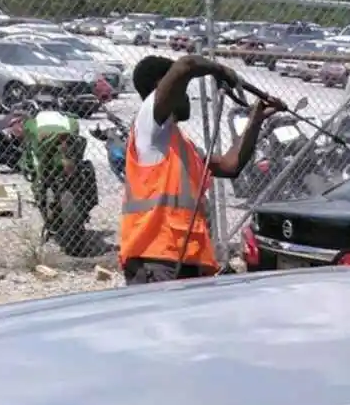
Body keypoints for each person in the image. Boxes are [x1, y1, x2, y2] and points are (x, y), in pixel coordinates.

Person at [120, 52, 284, 284]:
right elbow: (187, 64)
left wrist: (256, 119)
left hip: (185, 258)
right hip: (157, 260)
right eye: (182, 90)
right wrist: (221, 71)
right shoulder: (148, 126)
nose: (186, 97)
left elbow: (230, 165)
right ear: (161, 86)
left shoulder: (177, 144)